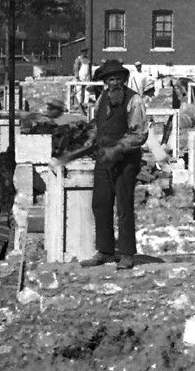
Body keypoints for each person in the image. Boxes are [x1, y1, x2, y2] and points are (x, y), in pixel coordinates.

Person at [80, 59, 148, 271]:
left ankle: (127, 253)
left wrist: (117, 150)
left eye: (118, 78)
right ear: (105, 82)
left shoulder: (134, 101)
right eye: (110, 79)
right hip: (103, 159)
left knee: (124, 206)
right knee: (100, 203)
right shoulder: (102, 99)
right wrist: (91, 140)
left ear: (124, 79)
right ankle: (105, 249)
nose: (114, 83)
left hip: (125, 161)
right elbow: (98, 125)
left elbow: (139, 135)